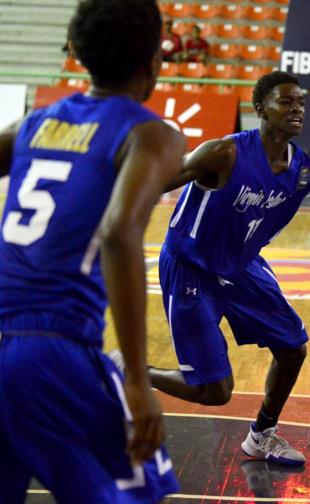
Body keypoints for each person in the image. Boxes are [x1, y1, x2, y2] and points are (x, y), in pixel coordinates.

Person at [0, 0, 184, 502]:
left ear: (77, 52)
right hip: (52, 349)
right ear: (155, 61)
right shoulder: (153, 133)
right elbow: (121, 233)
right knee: (138, 489)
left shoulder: (30, 126)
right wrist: (139, 382)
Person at [144, 71, 310, 467]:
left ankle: (262, 436)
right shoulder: (224, 153)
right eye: (286, 101)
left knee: (292, 349)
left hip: (240, 268)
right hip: (191, 269)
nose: (297, 108)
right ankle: (130, 369)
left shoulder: (305, 170)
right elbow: (154, 183)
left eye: (301, 102)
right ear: (260, 110)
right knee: (215, 391)